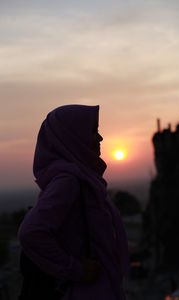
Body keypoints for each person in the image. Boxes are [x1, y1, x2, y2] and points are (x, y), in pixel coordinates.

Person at [18, 104, 130, 300]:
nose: (100, 138)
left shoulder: (84, 179)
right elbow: (30, 232)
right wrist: (76, 269)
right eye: (93, 131)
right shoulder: (68, 181)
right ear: (73, 137)